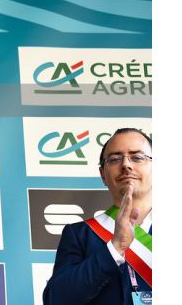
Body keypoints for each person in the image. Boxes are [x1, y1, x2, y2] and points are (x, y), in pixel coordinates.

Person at [43, 128, 152, 304]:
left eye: (137, 157)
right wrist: (115, 248)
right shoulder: (80, 234)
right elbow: (56, 299)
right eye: (115, 159)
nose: (126, 165)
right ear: (103, 175)